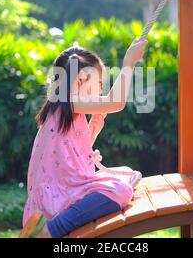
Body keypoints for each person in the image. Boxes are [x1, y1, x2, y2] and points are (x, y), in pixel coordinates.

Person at [20, 39, 148, 238]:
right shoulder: (66, 102)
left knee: (125, 175)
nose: (100, 90)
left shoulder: (62, 106)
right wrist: (129, 63)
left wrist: (93, 130)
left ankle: (57, 225)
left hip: (63, 186)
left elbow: (69, 155)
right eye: (98, 83)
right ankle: (52, 230)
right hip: (59, 193)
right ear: (80, 79)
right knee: (120, 190)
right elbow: (116, 102)